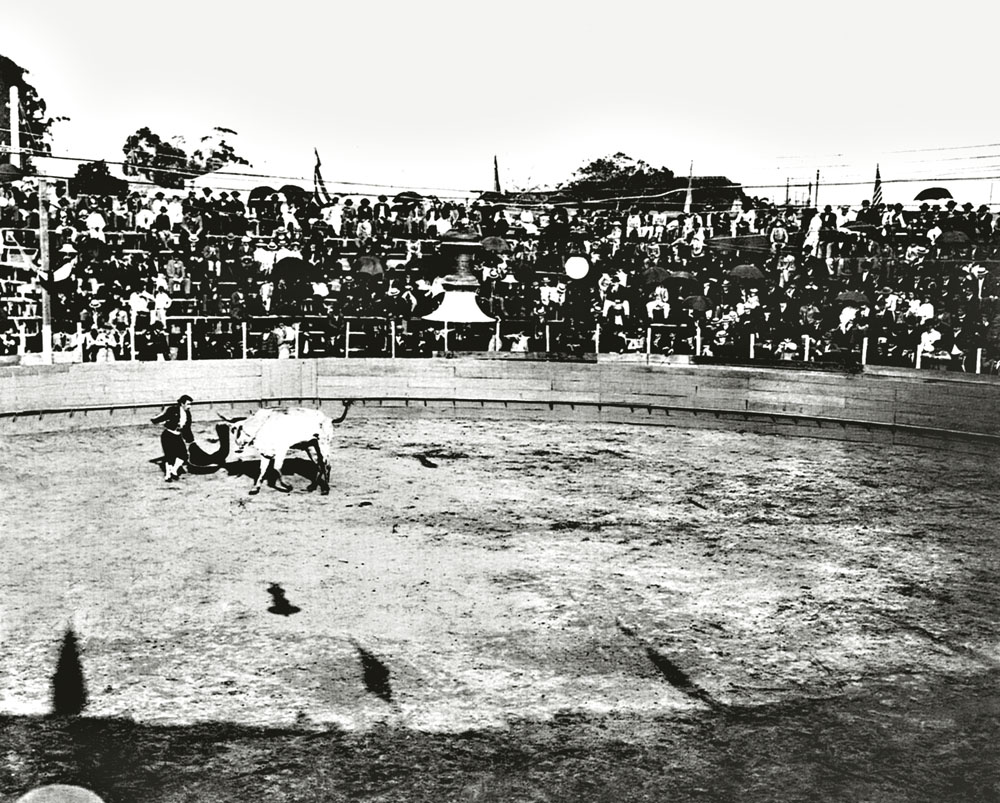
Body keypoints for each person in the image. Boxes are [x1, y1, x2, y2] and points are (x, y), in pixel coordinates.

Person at [151, 394, 195, 482]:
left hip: (178, 436)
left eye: (190, 404)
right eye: (188, 404)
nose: (189, 406)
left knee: (184, 455)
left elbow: (188, 427)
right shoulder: (173, 410)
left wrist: (190, 439)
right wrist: (155, 420)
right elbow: (164, 417)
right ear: (182, 403)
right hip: (168, 435)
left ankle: (174, 470)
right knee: (169, 456)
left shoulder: (188, 414)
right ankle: (168, 475)